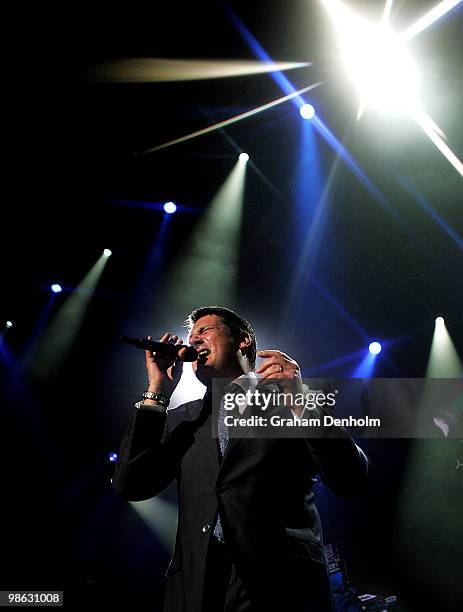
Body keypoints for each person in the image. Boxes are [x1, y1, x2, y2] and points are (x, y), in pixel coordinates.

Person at [113, 306, 369, 611]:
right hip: (198, 586)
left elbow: (351, 479)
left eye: (204, 332)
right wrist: (156, 390)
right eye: (190, 337)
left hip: (280, 582)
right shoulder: (184, 419)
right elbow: (130, 484)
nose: (193, 342)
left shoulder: (290, 403)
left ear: (243, 339)